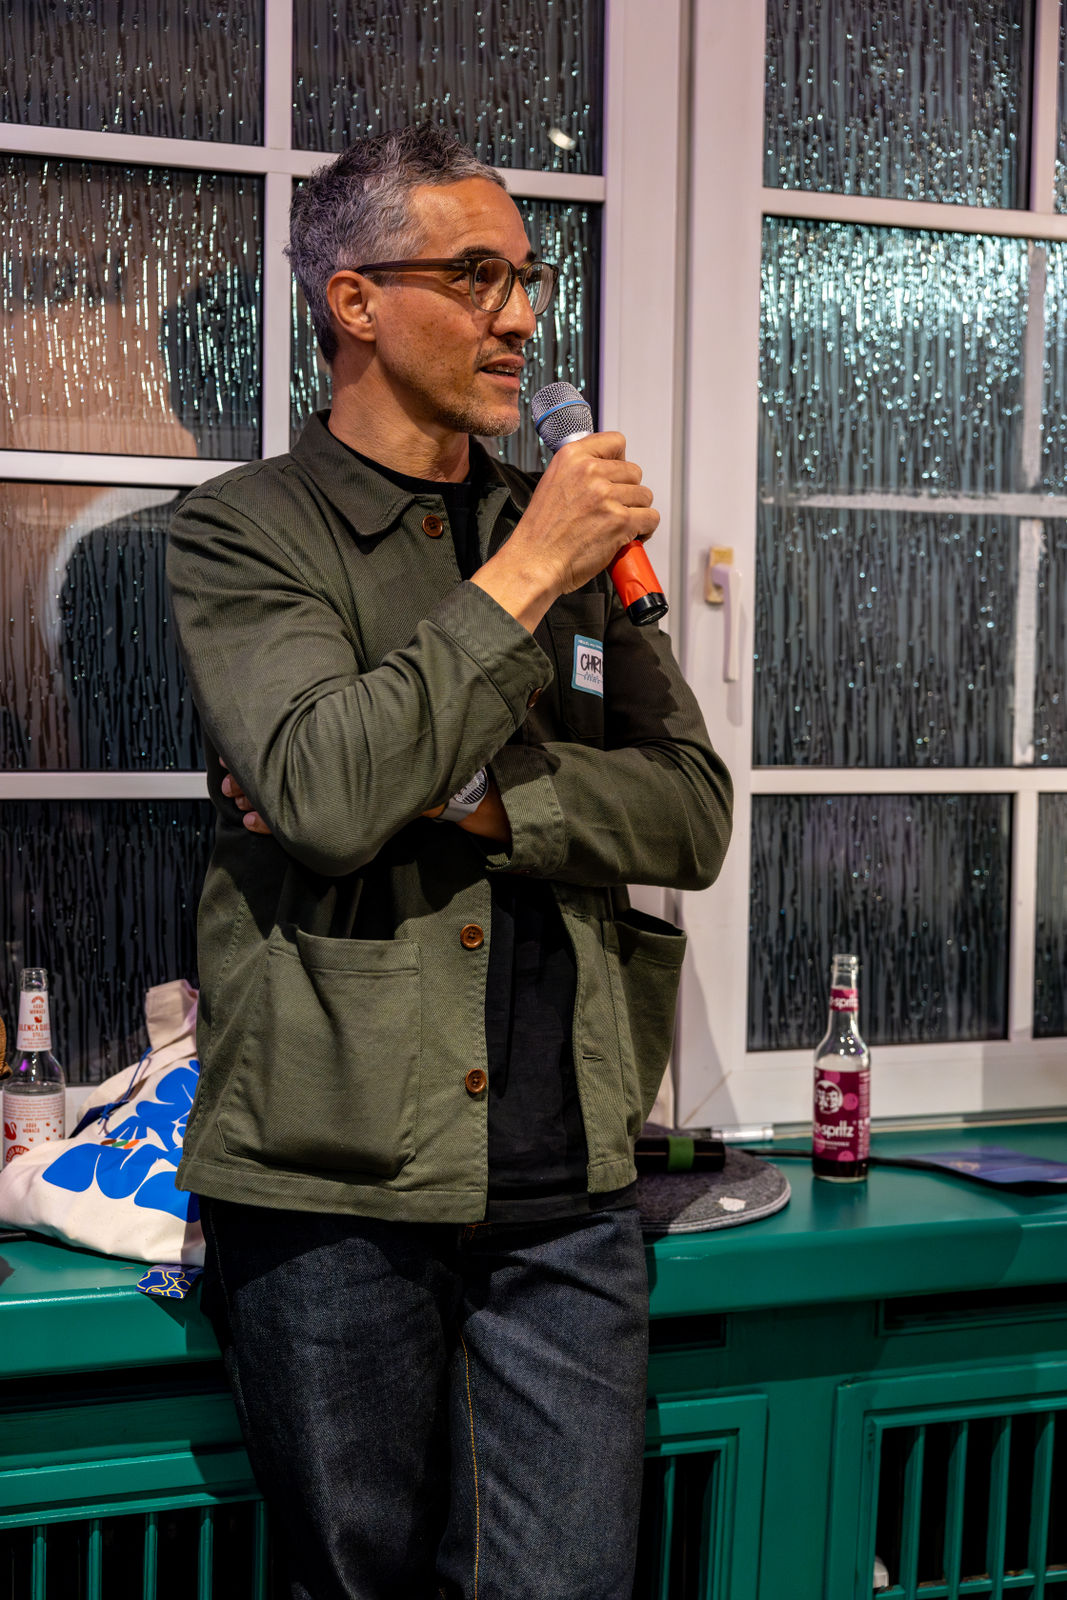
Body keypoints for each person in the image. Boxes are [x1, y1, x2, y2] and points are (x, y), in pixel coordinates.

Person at [166, 125, 732, 1600]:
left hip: (570, 1191)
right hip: (331, 1183)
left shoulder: (575, 538)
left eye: (529, 276)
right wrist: (531, 567)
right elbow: (335, 792)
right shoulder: (246, 532)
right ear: (355, 304)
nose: (524, 317)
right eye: (476, 275)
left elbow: (689, 814)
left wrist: (482, 802)